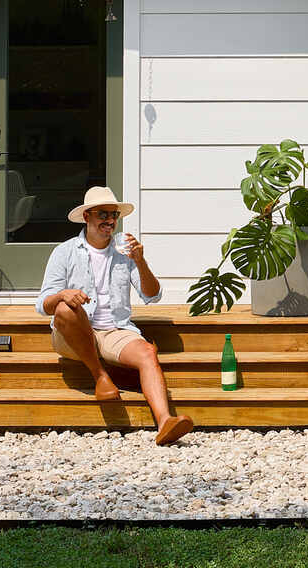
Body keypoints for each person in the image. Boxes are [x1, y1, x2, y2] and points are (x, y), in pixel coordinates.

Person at [36, 186, 194, 446]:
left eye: (114, 215)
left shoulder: (125, 253)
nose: (109, 220)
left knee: (147, 352)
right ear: (87, 217)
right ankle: (100, 376)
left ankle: (165, 421)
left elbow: (152, 295)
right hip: (73, 333)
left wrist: (141, 261)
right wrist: (64, 294)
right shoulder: (64, 252)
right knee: (64, 308)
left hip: (114, 331)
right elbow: (43, 304)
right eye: (102, 214)